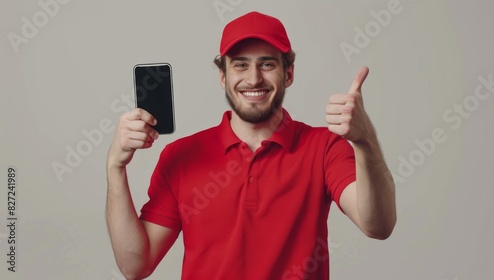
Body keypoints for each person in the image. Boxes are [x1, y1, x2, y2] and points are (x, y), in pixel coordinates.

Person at [105, 11, 396, 280]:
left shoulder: (324, 148)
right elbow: (135, 266)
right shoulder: (180, 156)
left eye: (267, 64)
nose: (253, 78)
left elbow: (378, 225)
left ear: (289, 73)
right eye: (240, 64)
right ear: (223, 76)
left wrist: (364, 140)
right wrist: (115, 168)